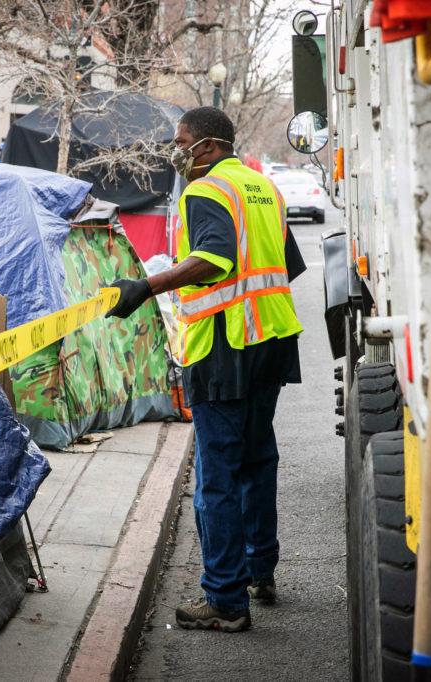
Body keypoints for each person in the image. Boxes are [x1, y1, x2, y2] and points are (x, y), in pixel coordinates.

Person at [106, 106, 305, 632]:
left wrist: (144, 288)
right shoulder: (264, 188)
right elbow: (289, 264)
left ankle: (224, 599)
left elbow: (214, 259)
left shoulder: (207, 190)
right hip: (271, 338)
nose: (178, 152)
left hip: (224, 345)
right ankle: (259, 572)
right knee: (259, 459)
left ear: (209, 146)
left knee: (217, 474)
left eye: (182, 142)